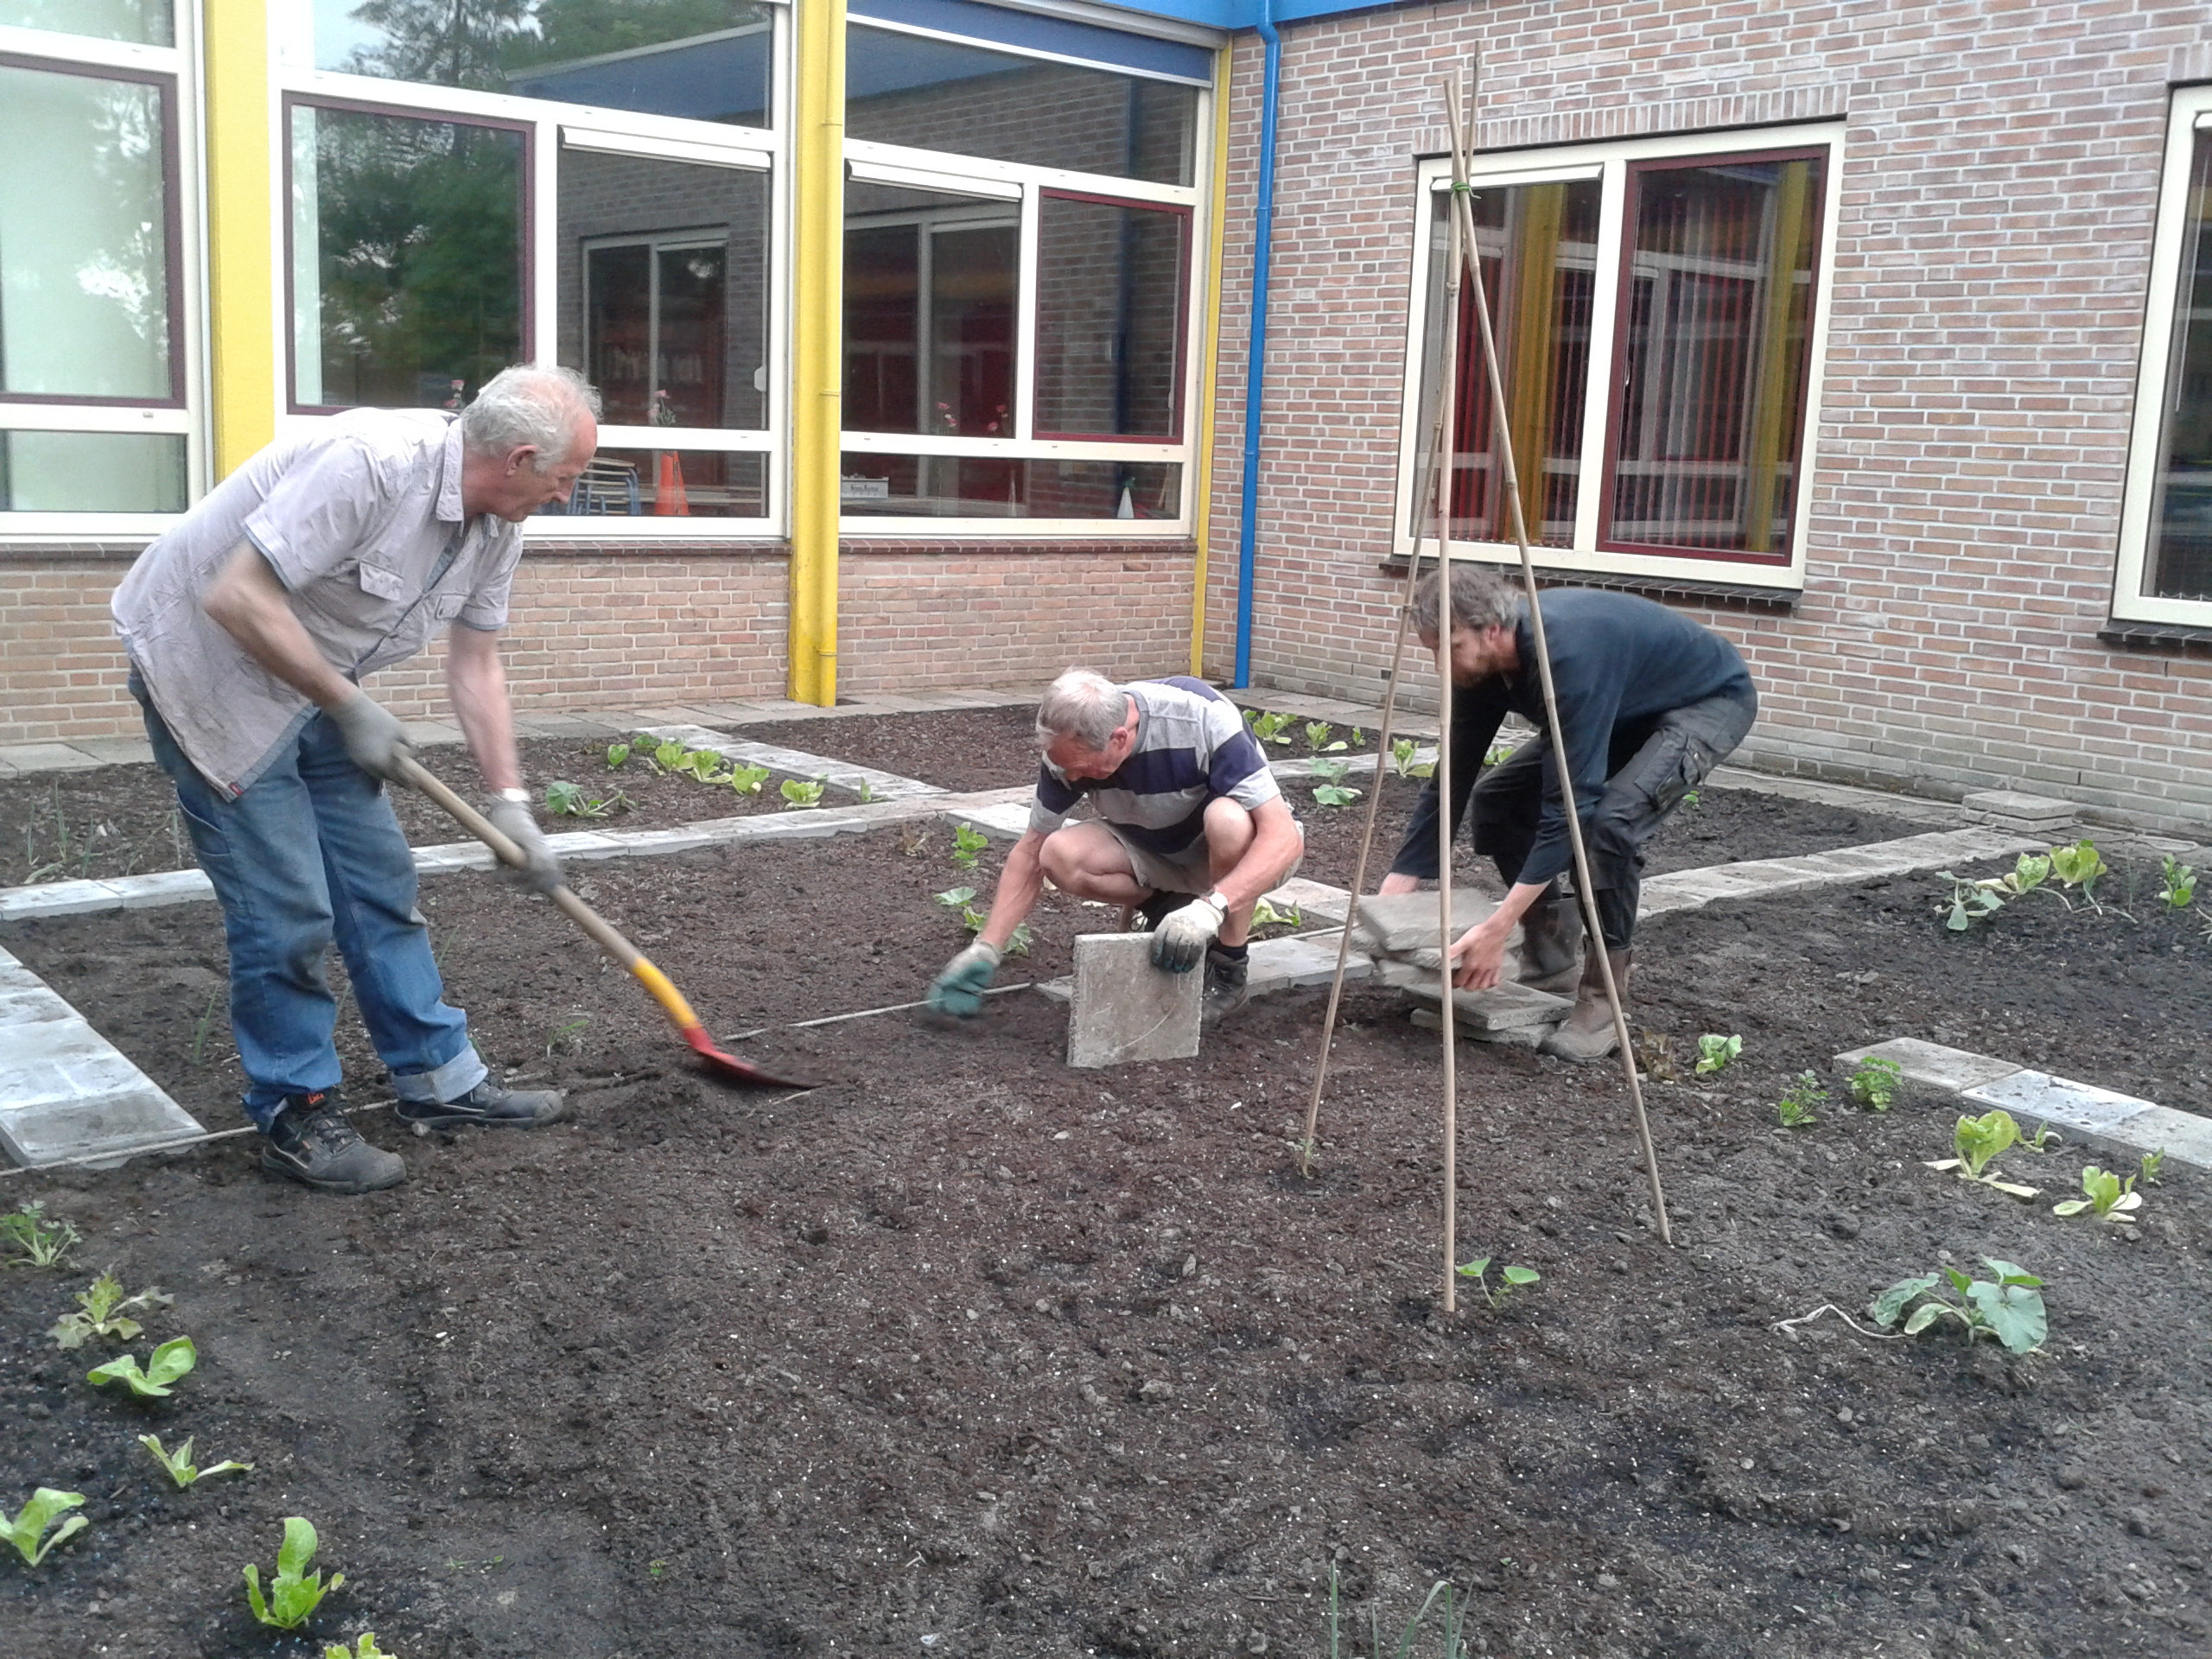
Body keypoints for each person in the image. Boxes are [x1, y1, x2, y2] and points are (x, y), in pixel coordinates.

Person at [111, 365, 601, 1192]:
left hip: (311, 679)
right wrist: (349, 704)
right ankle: (294, 1111)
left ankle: (440, 1083)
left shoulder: (496, 526)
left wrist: (509, 803)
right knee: (286, 908)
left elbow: (476, 662)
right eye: (565, 478)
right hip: (208, 669)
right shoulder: (371, 463)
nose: (564, 496)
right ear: (519, 457)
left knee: (377, 879)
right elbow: (235, 597)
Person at [1379, 567, 1757, 1062]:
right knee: (1498, 801)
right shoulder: (1481, 665)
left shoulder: (1566, 656)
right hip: (1622, 705)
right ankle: (1552, 958)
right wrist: (1402, 881)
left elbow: (1570, 810)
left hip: (1704, 702)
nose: (1438, 665)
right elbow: (1454, 772)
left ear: (1490, 629)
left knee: (1606, 828)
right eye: (1431, 649)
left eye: (1445, 647)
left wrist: (1497, 927)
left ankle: (1604, 1003)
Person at [927, 670, 1306, 1024]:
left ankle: (1228, 966)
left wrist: (1211, 910)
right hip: (1159, 851)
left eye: (1082, 768)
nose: (1072, 778)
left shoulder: (1201, 717)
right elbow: (1030, 851)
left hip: (1239, 856)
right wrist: (987, 947)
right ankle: (1168, 909)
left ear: (1119, 738)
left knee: (1228, 819)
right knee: (1058, 853)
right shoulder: (1067, 750)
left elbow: (1282, 836)